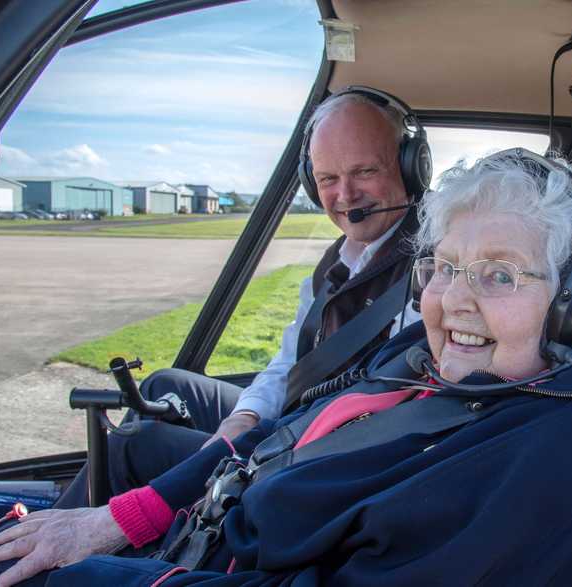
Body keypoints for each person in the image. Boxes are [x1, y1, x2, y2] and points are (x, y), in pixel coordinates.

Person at [0, 149, 572, 586]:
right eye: (445, 266)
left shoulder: (561, 448)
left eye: (498, 274)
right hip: (211, 538)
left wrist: (110, 575)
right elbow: (272, 440)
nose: (452, 300)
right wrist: (112, 521)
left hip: (221, 564)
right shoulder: (430, 367)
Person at [55, 86, 431, 508]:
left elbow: (388, 408)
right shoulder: (341, 260)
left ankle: (38, 555)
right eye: (328, 178)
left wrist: (249, 442)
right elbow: (292, 363)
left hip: (326, 450)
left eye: (364, 171)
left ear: (411, 167)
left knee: (132, 445)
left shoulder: (434, 266)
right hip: (302, 414)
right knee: (167, 385)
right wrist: (245, 417)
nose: (344, 196)